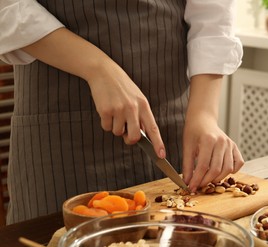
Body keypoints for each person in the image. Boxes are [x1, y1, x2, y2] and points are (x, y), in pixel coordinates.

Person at [0, 0, 244, 224]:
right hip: (59, 134)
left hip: (173, 128)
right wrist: (97, 68)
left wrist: (204, 116)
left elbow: (214, 14)